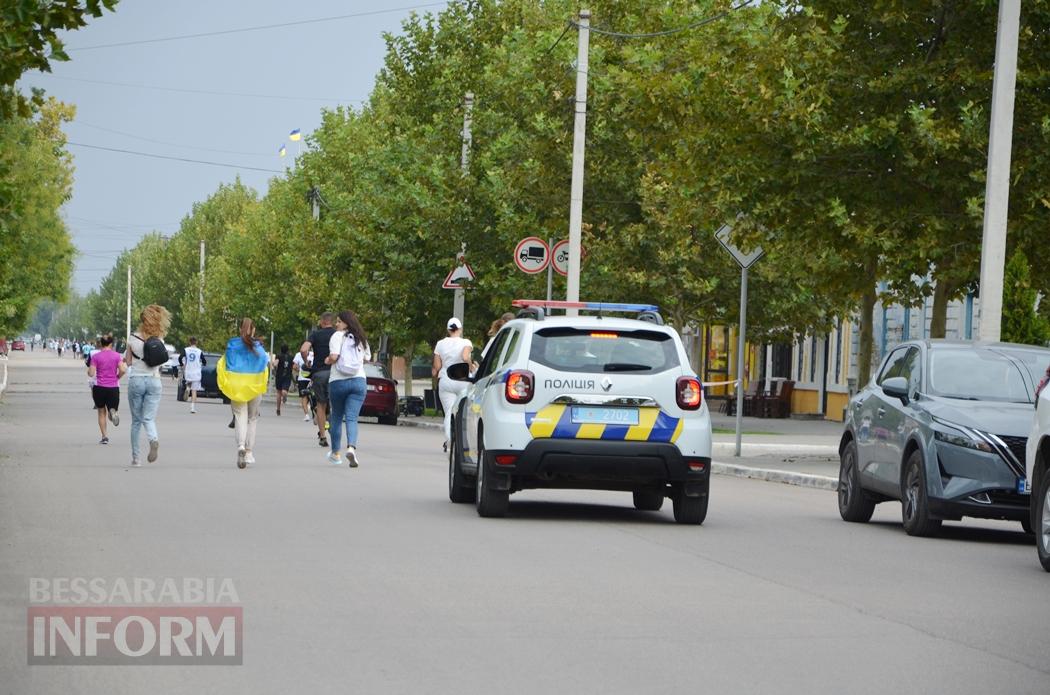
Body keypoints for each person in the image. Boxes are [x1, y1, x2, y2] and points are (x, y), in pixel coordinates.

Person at [217, 318, 270, 469]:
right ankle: (248, 451)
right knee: (252, 418)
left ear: (240, 328)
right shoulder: (258, 347)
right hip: (254, 385)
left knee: (240, 416)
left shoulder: (232, 345)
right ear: (253, 330)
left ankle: (240, 446)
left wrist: (225, 382)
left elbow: (223, 364)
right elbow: (265, 365)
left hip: (236, 385)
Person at [125, 304, 170, 467]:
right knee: (149, 418)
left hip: (136, 380)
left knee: (136, 421)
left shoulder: (132, 338)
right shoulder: (159, 340)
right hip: (154, 380)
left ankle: (136, 459)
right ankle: (153, 439)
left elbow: (128, 362)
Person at [325, 311, 371, 467]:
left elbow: (334, 357)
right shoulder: (361, 338)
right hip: (358, 382)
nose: (337, 324)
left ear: (346, 323)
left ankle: (336, 453)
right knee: (352, 418)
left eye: (339, 321)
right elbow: (367, 358)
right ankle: (351, 447)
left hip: (338, 382)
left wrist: (326, 360)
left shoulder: (337, 336)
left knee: (337, 417)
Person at [433, 317, 473, 452]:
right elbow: (465, 357)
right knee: (462, 413)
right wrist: (471, 366)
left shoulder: (440, 344)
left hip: (446, 381)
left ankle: (450, 441)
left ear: (448, 330)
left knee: (449, 412)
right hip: (462, 381)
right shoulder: (466, 342)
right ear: (460, 329)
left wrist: (434, 372)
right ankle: (462, 443)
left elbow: (437, 366)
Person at [300, 313, 336, 448]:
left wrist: (306, 362)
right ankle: (333, 429)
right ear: (332, 322)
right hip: (335, 374)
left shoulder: (315, 334)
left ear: (322, 322)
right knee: (334, 404)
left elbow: (304, 349)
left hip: (319, 373)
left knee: (321, 405)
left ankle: (322, 436)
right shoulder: (338, 335)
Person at [88, 333, 125, 444]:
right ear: (111, 344)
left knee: (101, 412)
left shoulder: (96, 357)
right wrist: (117, 377)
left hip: (99, 388)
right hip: (113, 387)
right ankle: (112, 413)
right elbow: (123, 370)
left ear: (101, 344)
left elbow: (91, 373)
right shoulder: (117, 356)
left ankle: (104, 437)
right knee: (112, 409)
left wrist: (88, 371)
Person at [179, 337, 206, 414]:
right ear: (196, 342)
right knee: (194, 391)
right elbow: (204, 361)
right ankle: (192, 408)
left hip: (188, 371)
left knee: (189, 383)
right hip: (196, 372)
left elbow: (180, 357)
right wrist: (203, 363)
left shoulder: (186, 350)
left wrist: (182, 364)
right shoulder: (199, 351)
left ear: (189, 342)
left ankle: (188, 387)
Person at [272, 344, 295, 416]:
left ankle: (278, 409)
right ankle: (285, 395)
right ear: (288, 350)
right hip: (287, 376)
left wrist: (274, 368)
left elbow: (275, 364)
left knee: (278, 393)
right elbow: (294, 366)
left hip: (279, 376)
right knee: (284, 391)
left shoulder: (278, 356)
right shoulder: (291, 357)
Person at [293, 349, 313, 421]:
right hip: (312, 378)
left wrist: (300, 371)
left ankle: (306, 415)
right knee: (313, 395)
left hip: (302, 379)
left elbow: (294, 366)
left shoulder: (298, 354)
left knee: (303, 396)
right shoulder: (313, 354)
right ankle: (314, 411)